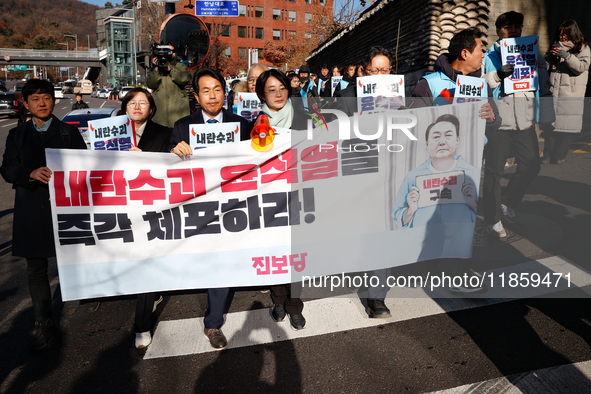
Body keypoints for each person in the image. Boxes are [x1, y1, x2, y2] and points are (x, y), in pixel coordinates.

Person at [1, 79, 87, 350]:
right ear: (26, 104)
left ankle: (91, 293)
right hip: (30, 209)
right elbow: (7, 168)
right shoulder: (17, 134)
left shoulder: (67, 132)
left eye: (46, 97)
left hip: (64, 208)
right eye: (35, 99)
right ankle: (43, 322)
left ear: (54, 100)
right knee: (36, 268)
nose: (41, 103)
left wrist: (66, 188)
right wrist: (29, 173)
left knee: (74, 260)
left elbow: (83, 168)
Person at [169, 69, 251, 349]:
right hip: (198, 205)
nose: (213, 95)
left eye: (217, 89)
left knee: (222, 262)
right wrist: (173, 153)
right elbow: (165, 168)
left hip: (233, 205)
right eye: (206, 90)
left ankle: (213, 323)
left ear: (224, 92)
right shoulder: (182, 127)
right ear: (196, 95)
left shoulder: (242, 124)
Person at [483, 11, 554, 237]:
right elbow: (478, 84)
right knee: (494, 172)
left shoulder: (531, 53)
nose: (512, 29)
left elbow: (541, 85)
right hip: (499, 123)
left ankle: (507, 200)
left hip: (524, 120)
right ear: (498, 30)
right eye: (507, 26)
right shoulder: (488, 56)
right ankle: (493, 219)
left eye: (516, 26)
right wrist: (497, 76)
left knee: (532, 164)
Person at [252, 69, 307, 330]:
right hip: (268, 196)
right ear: (262, 93)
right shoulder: (252, 123)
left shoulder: (305, 118)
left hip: (299, 193)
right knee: (273, 250)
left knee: (296, 251)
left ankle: (295, 306)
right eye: (271, 89)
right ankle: (278, 300)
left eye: (282, 87)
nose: (277, 93)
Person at [116, 87, 171, 348]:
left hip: (149, 206)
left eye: (143, 103)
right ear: (124, 106)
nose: (137, 107)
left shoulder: (163, 133)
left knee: (146, 263)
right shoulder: (106, 132)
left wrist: (147, 160)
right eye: (132, 103)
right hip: (115, 208)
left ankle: (142, 325)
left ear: (151, 109)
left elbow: (171, 169)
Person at [392, 114, 479, 228]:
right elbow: (397, 214)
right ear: (427, 145)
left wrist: (473, 204)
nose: (442, 142)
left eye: (448, 135)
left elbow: (483, 213)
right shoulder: (412, 177)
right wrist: (410, 211)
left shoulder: (472, 174)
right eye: (436, 137)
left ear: (457, 140)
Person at [542, 19, 590, 164]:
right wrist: (549, 57)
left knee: (567, 128)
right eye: (561, 34)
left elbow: (582, 67)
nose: (563, 37)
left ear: (573, 33)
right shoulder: (556, 46)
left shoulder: (583, 48)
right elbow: (544, 66)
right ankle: (547, 154)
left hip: (571, 94)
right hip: (554, 92)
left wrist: (567, 56)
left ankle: (559, 155)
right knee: (550, 127)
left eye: (566, 34)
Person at [146, 43, 192, 129]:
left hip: (178, 115)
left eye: (171, 51)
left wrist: (170, 69)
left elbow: (184, 80)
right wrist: (156, 68)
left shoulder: (180, 66)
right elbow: (151, 84)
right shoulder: (155, 69)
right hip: (160, 117)